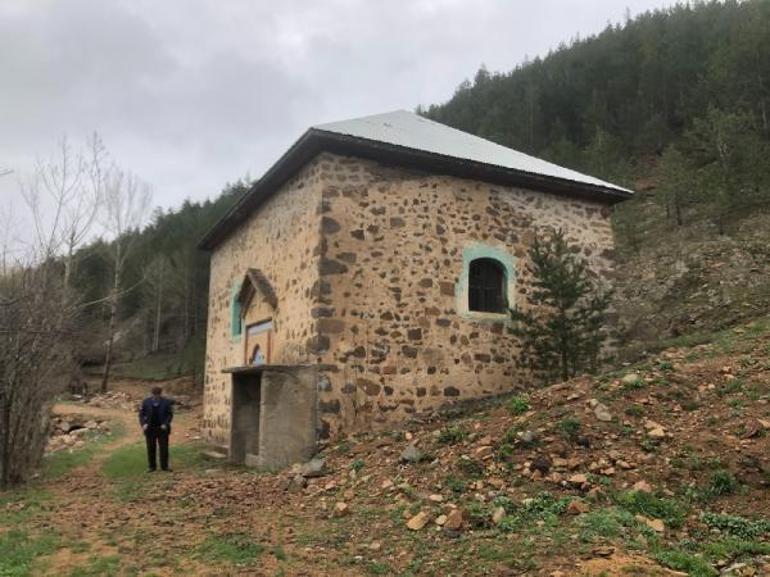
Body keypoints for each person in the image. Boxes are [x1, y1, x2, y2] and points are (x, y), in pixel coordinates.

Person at [138, 386, 174, 472]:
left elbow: (169, 415)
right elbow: (141, 414)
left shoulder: (166, 402)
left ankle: (164, 466)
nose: (155, 397)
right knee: (151, 447)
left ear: (160, 394)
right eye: (154, 395)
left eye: (157, 395)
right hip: (150, 428)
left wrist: (165, 424)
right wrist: (144, 424)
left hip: (162, 428)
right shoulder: (146, 402)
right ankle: (152, 466)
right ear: (151, 394)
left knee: (164, 448)